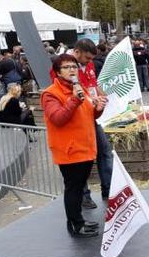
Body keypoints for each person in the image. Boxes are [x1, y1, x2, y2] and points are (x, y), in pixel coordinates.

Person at [42, 54, 105, 238]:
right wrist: (74, 100)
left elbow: (89, 116)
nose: (72, 70)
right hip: (69, 150)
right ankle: (75, 224)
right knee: (74, 188)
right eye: (67, 67)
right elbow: (58, 119)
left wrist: (98, 108)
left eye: (74, 66)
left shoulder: (80, 88)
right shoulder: (51, 94)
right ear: (57, 72)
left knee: (78, 187)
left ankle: (78, 219)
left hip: (85, 147)